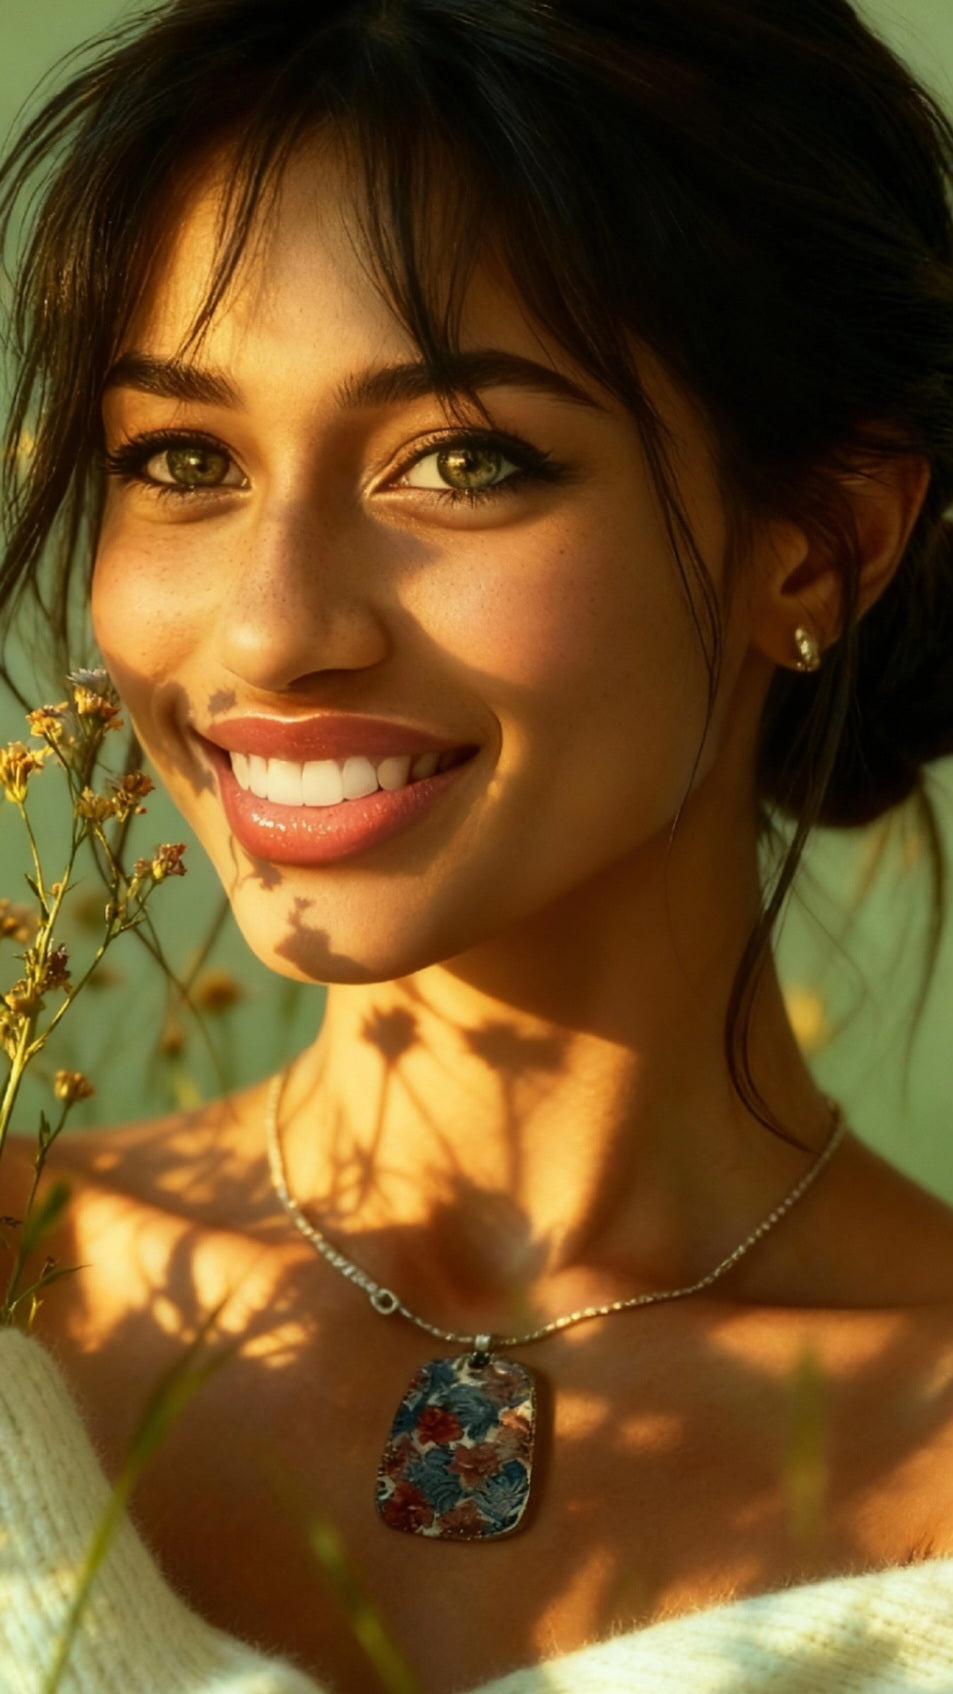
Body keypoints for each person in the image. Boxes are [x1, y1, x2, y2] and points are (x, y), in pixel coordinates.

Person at [3, 0, 953, 1689]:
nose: (274, 630)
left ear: (815, 545)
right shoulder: (24, 1290)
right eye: (183, 458)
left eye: (461, 457)